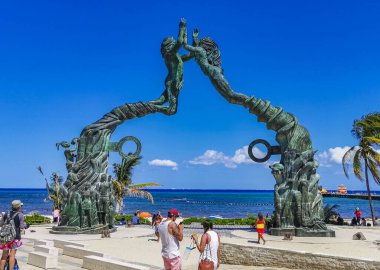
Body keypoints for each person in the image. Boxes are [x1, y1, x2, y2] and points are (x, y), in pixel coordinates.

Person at [0, 200, 26, 270]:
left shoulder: (6, 213)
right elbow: (22, 226)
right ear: (19, 207)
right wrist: (26, 225)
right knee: (12, 256)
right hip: (15, 238)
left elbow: (1, 224)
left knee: (4, 256)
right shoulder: (20, 215)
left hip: (5, 237)